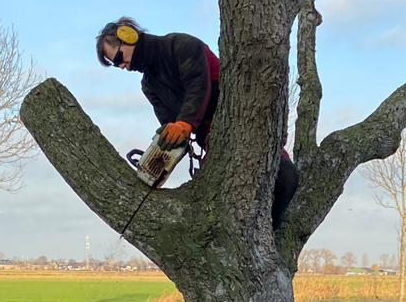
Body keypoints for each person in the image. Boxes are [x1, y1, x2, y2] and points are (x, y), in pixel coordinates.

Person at [96, 18, 299, 226]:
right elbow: (170, 125)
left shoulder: (181, 45)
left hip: (243, 125)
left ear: (129, 36)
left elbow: (198, 85)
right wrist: (161, 158)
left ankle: (271, 229)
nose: (121, 66)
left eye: (119, 58)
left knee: (286, 177)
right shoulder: (149, 85)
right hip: (212, 143)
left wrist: (185, 123)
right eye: (116, 64)